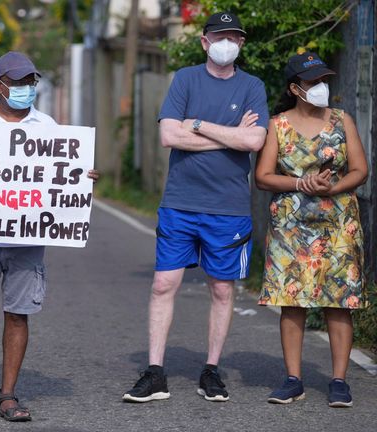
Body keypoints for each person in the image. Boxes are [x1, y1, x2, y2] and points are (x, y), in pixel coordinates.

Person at [0, 51, 98, 422]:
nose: (26, 89)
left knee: (19, 315)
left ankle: (7, 396)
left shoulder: (49, 128)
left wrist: (81, 179)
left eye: (30, 82)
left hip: (27, 240)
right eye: (19, 82)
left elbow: (65, 173)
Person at [122, 12, 268, 403]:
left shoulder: (253, 85)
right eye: (220, 36)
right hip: (181, 204)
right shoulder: (185, 78)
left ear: (241, 44)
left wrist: (198, 124)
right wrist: (231, 136)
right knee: (163, 283)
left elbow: (254, 142)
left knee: (222, 289)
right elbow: (169, 134)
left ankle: (212, 370)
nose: (227, 43)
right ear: (205, 42)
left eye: (235, 37)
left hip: (229, 207)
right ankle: (155, 372)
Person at [255, 52, 367, 408]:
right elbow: (263, 176)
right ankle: (293, 379)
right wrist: (301, 183)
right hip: (291, 225)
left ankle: (339, 381)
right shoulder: (278, 125)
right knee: (292, 303)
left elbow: (360, 169)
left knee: (339, 304)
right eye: (312, 81)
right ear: (295, 88)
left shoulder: (342, 119)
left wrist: (332, 188)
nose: (320, 86)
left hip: (338, 223)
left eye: (323, 79)